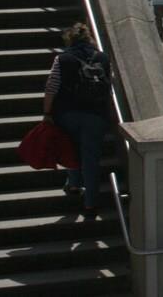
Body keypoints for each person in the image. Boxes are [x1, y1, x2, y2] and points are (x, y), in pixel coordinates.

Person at [42, 22, 110, 218]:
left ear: (70, 40)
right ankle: (91, 203)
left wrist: (47, 113)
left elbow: (51, 87)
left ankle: (73, 184)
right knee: (91, 158)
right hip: (96, 115)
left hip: (68, 113)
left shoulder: (63, 59)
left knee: (70, 149)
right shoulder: (102, 58)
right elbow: (108, 86)